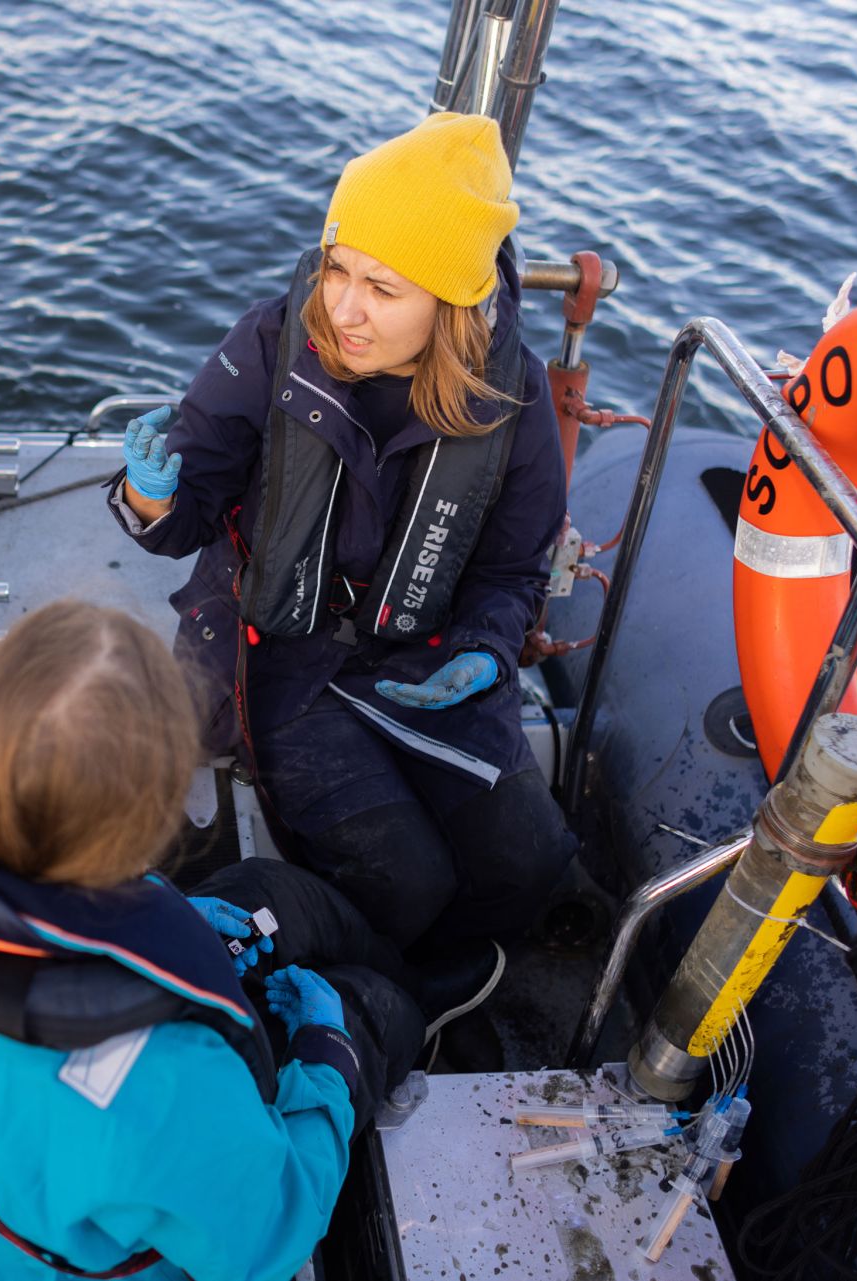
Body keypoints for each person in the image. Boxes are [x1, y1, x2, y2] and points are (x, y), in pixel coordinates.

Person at [0, 601, 435, 1281]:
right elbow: (270, 1236)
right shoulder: (164, 1091)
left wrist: (175, 916)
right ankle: (419, 1014)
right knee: (371, 1006)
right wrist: (328, 1058)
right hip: (125, 1200)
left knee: (265, 889)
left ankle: (404, 986)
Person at [109, 113, 577, 959]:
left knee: (532, 861)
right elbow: (191, 505)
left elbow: (513, 568)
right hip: (279, 658)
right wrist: (150, 497)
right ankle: (369, 983)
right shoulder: (269, 341)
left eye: (385, 289)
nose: (346, 309)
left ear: (455, 301)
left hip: (422, 662)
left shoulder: (518, 399)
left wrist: (484, 647)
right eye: (338, 269)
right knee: (405, 878)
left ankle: (444, 980)